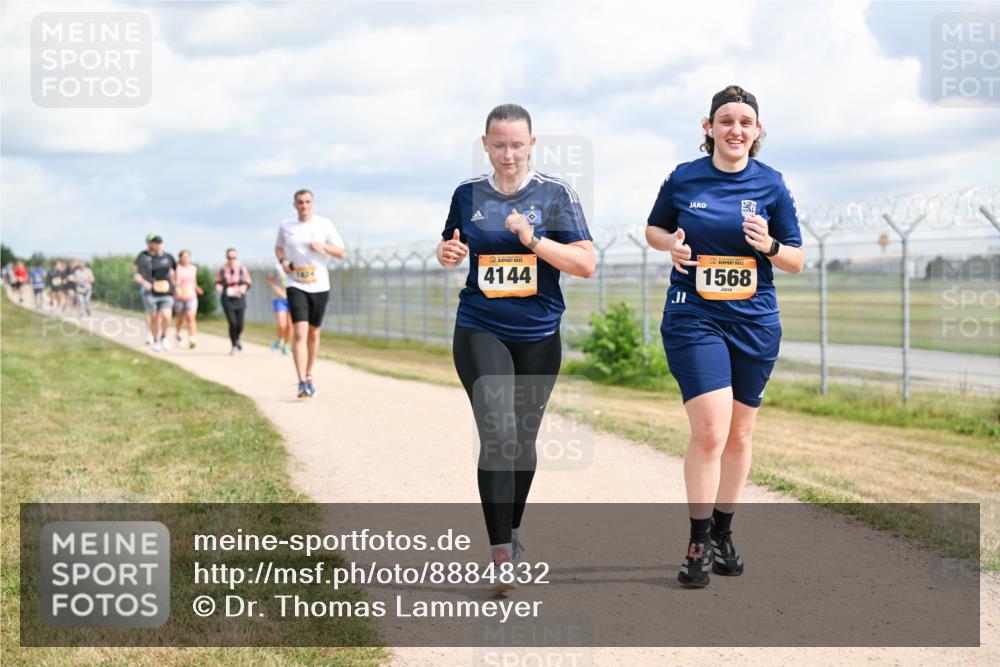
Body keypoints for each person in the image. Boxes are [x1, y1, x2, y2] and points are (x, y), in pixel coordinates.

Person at [645, 85, 804, 588]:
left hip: (755, 321)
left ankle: (723, 533)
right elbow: (653, 230)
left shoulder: (772, 185)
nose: (736, 129)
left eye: (746, 122)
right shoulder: (684, 178)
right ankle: (697, 541)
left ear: (757, 132)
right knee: (711, 430)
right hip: (694, 316)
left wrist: (771, 244)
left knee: (739, 434)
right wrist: (671, 243)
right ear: (708, 127)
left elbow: (797, 259)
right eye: (726, 120)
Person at [438, 103, 595, 589]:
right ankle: (500, 553)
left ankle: (514, 530)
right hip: (480, 327)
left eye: (517, 145)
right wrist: (447, 253)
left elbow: (585, 263)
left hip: (539, 336)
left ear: (532, 144)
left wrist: (534, 242)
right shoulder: (467, 195)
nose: (508, 154)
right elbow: (450, 248)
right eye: (499, 144)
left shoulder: (555, 195)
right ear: (485, 145)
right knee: (499, 435)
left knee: (523, 443)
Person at [275, 189, 346, 397]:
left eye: (307, 202)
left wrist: (322, 246)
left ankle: (309, 374)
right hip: (295, 284)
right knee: (299, 333)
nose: (304, 205)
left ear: (312, 204)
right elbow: (279, 248)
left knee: (314, 333)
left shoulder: (324, 225)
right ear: (295, 205)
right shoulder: (286, 226)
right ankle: (300, 382)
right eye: (300, 202)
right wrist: (283, 262)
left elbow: (341, 252)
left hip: (320, 285)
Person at [133, 235, 176, 352]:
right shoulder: (146, 259)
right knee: (154, 318)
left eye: (160, 243)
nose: (158, 245)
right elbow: (137, 274)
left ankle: (164, 337)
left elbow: (176, 272)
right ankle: (156, 340)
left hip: (167, 292)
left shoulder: (169, 257)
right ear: (151, 245)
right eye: (155, 243)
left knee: (166, 316)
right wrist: (143, 282)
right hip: (151, 293)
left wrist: (177, 283)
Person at [214, 248, 252, 355]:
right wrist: (220, 288)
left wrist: (244, 287)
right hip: (227, 298)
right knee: (232, 323)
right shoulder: (222, 269)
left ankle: (238, 337)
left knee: (240, 324)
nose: (232, 260)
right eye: (229, 257)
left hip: (239, 297)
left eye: (234, 257)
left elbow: (248, 281)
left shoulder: (241, 268)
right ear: (226, 257)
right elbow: (217, 282)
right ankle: (234, 344)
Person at [173, 250, 203, 348]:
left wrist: (197, 288)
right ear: (180, 258)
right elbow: (175, 282)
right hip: (180, 296)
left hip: (191, 296)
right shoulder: (177, 268)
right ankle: (178, 334)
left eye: (188, 256)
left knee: (191, 317)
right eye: (184, 256)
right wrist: (177, 289)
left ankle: (192, 338)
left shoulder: (193, 268)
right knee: (181, 319)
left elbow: (194, 281)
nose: (186, 258)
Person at [265, 254, 293, 355]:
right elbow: (269, 279)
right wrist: (276, 289)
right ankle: (279, 339)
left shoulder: (296, 264)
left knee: (290, 326)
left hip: (294, 299)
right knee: (282, 324)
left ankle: (286, 346)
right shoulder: (277, 267)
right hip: (280, 299)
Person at [133, 235, 158, 345]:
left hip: (161, 289)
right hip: (147, 288)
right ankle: (150, 333)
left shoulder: (161, 255)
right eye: (151, 242)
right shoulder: (141, 256)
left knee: (159, 313)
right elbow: (136, 273)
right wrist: (143, 282)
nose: (154, 244)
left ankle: (157, 334)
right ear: (148, 243)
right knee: (150, 312)